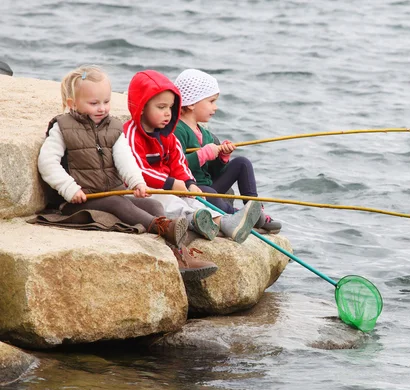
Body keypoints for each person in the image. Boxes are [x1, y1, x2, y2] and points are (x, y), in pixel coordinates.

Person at [37, 65, 217, 279]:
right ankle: (166, 229)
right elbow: (47, 163)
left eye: (106, 102)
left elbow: (125, 160)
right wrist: (69, 189)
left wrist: (137, 183)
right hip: (81, 197)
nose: (102, 108)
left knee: (152, 204)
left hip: (111, 190)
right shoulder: (62, 127)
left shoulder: (112, 127)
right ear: (72, 104)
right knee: (118, 203)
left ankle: (179, 253)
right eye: (93, 103)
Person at [123, 69, 261, 244]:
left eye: (170, 107)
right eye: (161, 107)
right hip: (144, 191)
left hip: (171, 188)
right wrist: (171, 183)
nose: (168, 113)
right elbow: (137, 170)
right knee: (174, 205)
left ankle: (225, 223)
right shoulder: (130, 135)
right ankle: (203, 222)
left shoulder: (168, 136)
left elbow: (178, 163)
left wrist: (189, 183)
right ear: (141, 108)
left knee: (195, 200)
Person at [173, 69, 281, 234]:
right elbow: (174, 164)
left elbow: (212, 172)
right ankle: (237, 216)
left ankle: (254, 209)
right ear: (192, 102)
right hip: (191, 190)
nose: (215, 107)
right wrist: (202, 155)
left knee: (242, 163)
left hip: (208, 186)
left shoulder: (206, 134)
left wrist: (222, 158)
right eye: (211, 101)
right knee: (207, 191)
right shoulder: (177, 130)